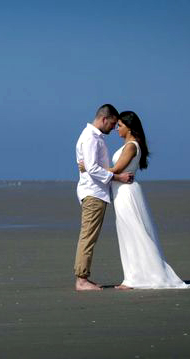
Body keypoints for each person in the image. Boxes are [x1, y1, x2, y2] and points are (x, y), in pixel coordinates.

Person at [81, 111, 190, 289]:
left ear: (129, 128)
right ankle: (132, 276)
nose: (116, 129)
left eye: (119, 126)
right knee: (127, 234)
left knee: (134, 232)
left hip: (127, 193)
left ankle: (134, 278)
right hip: (121, 193)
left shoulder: (131, 146)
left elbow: (117, 169)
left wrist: (90, 166)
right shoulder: (128, 145)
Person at [73, 104, 134, 291]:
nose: (114, 128)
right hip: (93, 193)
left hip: (95, 192)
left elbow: (87, 165)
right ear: (104, 119)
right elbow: (91, 168)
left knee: (90, 235)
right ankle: (81, 279)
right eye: (113, 123)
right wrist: (118, 177)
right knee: (88, 236)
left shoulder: (92, 136)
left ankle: (83, 277)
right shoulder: (90, 137)